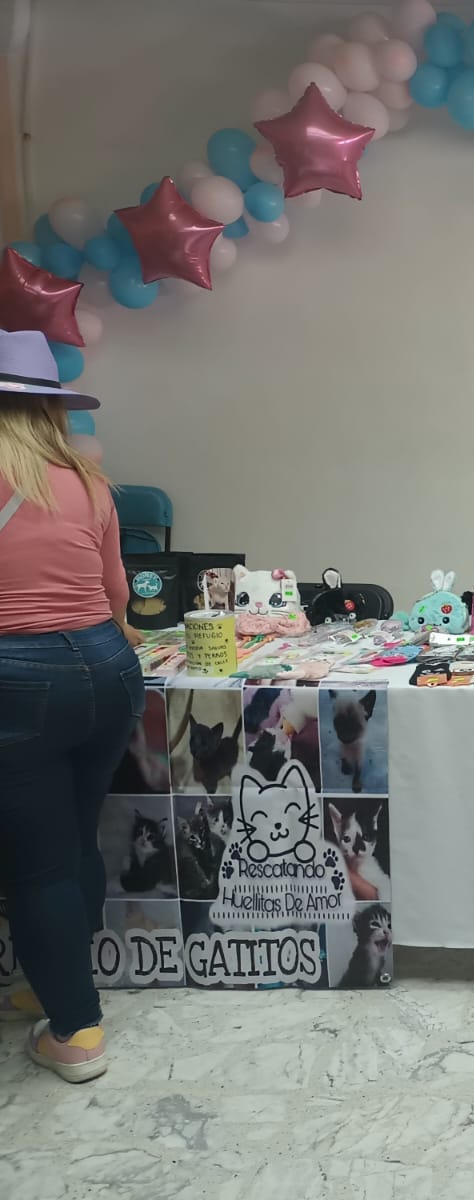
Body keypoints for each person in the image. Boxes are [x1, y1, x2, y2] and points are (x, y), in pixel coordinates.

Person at [0, 329, 144, 1083]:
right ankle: (54, 983)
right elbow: (117, 598)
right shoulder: (88, 481)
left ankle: (76, 1031)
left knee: (37, 865)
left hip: (18, 679)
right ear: (51, 409)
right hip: (109, 668)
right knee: (74, 841)